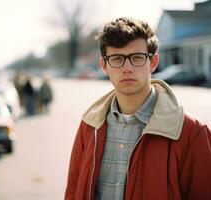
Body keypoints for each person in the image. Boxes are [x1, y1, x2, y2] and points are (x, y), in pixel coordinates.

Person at [65, 17, 211, 200]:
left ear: (153, 62)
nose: (127, 68)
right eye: (117, 59)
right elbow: (73, 192)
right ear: (104, 66)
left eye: (137, 58)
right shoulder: (89, 126)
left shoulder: (192, 133)